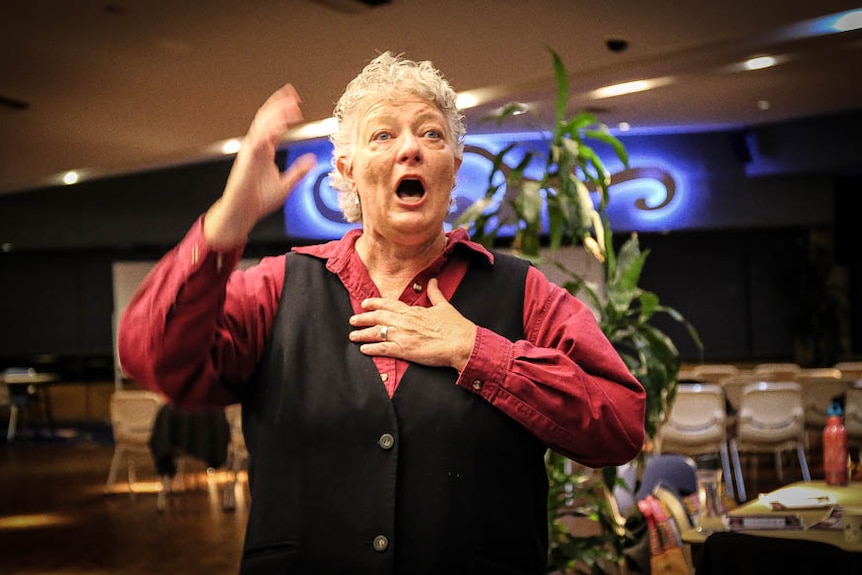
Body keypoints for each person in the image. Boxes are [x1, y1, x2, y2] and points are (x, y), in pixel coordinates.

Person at [118, 51, 646, 575]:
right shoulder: (277, 288)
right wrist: (226, 226)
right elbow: (153, 358)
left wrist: (476, 351)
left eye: (432, 134)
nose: (411, 148)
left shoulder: (525, 293)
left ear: (453, 169)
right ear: (347, 170)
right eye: (384, 135)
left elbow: (619, 424)